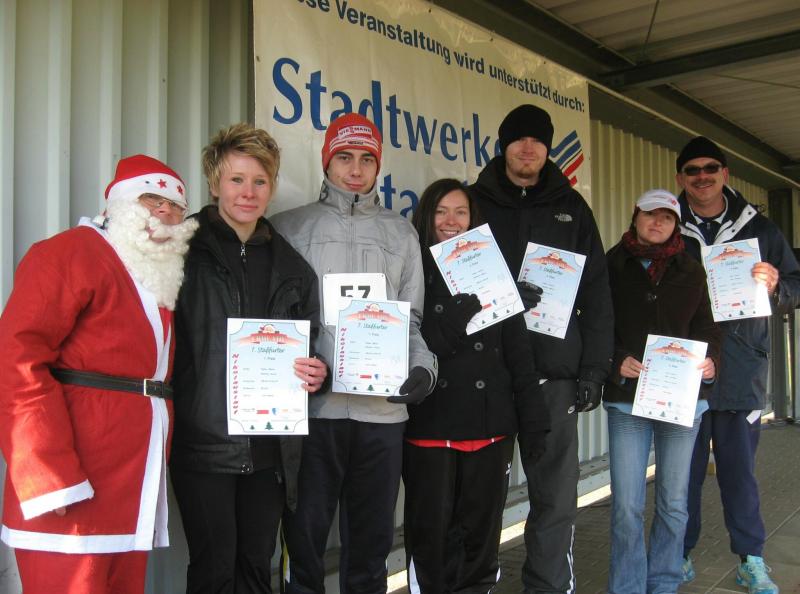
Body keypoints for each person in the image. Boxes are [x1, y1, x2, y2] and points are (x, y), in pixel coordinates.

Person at [0, 155, 197, 594]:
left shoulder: (155, 275)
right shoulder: (68, 253)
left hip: (132, 483)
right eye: (152, 199)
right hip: (74, 480)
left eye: (176, 207)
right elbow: (16, 358)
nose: (166, 212)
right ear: (118, 204)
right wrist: (45, 470)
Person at [271, 112, 437, 594]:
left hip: (380, 417)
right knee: (303, 545)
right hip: (314, 414)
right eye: (344, 157)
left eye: (367, 159)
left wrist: (423, 368)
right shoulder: (288, 228)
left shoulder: (401, 234)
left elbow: (411, 321)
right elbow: (276, 322)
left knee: (370, 548)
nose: (356, 169)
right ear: (327, 162)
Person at [169, 123, 326, 594]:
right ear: (214, 183)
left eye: (260, 181)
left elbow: (311, 341)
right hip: (204, 444)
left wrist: (316, 370)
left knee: (257, 567)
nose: (248, 192)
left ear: (272, 188)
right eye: (236, 179)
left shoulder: (291, 265)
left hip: (270, 449)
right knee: (214, 569)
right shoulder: (181, 250)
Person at [469, 103, 614, 593]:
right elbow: (451, 280)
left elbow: (597, 294)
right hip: (489, 376)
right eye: (519, 139)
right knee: (483, 499)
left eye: (537, 140)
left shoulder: (572, 208)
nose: (528, 148)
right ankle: (478, 585)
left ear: (548, 149)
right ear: (503, 145)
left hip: (553, 378)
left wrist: (594, 370)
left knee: (554, 496)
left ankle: (548, 587)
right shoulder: (475, 203)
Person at [403, 178, 550, 593]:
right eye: (441, 212)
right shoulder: (411, 269)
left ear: (473, 219)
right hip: (430, 429)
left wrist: (534, 422)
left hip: (490, 430)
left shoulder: (493, 271)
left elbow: (519, 357)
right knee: (430, 541)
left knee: (480, 544)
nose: (450, 221)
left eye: (460, 212)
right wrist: (451, 323)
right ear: (426, 217)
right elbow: (407, 348)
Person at [676, 137, 800, 594]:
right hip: (684, 371)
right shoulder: (667, 225)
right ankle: (677, 554)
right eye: (692, 170)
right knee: (679, 476)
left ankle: (751, 560)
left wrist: (776, 284)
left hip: (741, 369)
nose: (702, 176)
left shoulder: (760, 228)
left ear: (725, 174)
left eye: (711, 168)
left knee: (739, 474)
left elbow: (795, 284)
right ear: (681, 178)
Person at [604, 189, 721, 593]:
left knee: (674, 502)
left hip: (682, 400)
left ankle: (665, 584)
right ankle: (628, 587)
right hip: (627, 401)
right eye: (650, 215)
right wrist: (615, 360)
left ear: (676, 225)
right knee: (626, 506)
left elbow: (708, 326)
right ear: (635, 217)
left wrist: (711, 361)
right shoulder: (611, 265)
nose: (658, 222)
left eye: (667, 217)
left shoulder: (691, 269)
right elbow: (596, 323)